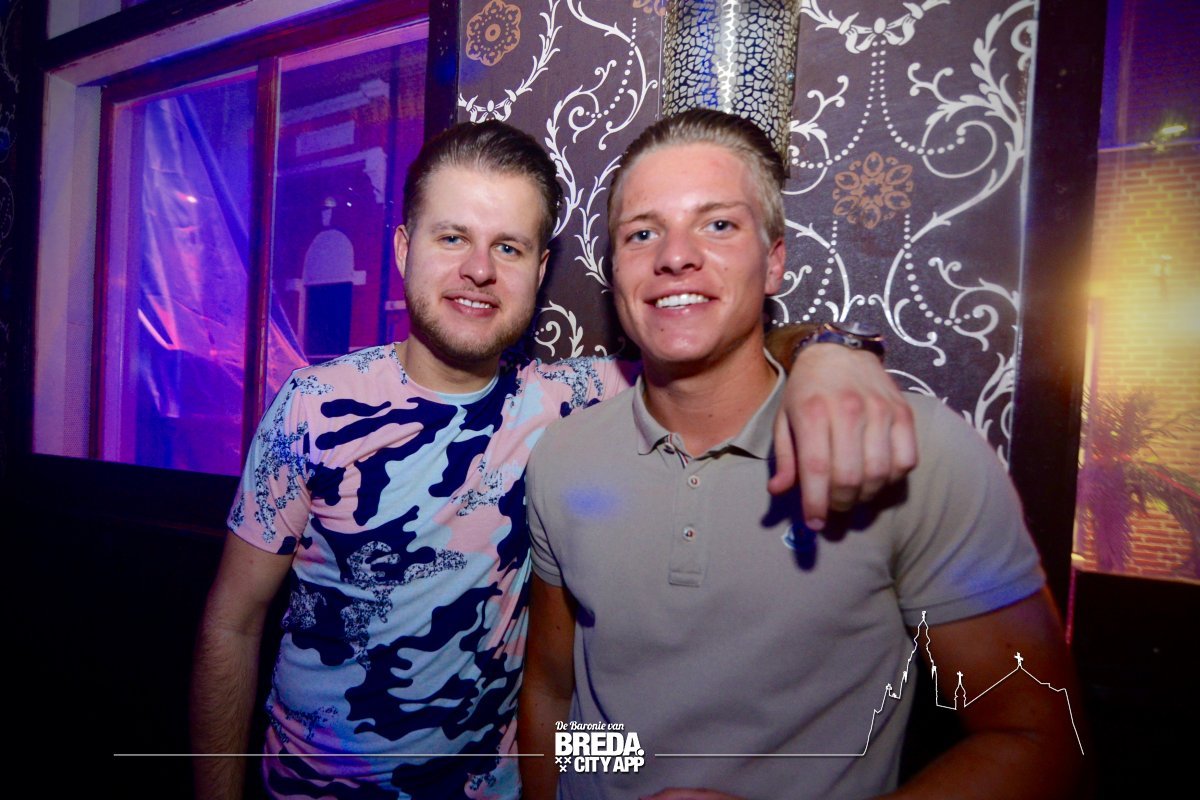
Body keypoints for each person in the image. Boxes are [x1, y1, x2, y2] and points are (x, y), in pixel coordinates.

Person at [190, 120, 918, 800]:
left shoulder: (572, 401)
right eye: (453, 237)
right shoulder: (314, 407)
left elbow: (721, 349)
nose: (479, 269)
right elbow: (233, 625)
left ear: (539, 271)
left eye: (508, 247)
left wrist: (831, 353)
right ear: (405, 249)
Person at [519, 109, 1084, 800]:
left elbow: (1036, 741)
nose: (675, 255)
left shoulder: (910, 452)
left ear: (775, 261)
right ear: (615, 270)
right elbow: (556, 694)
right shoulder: (565, 457)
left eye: (718, 224)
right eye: (642, 232)